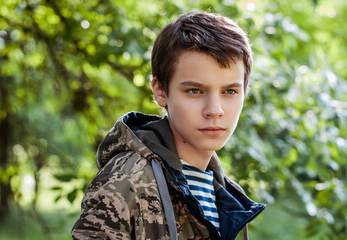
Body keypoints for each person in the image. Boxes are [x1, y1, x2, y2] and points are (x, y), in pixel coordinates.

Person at [72, 12, 265, 240]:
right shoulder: (125, 182)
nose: (215, 110)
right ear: (160, 90)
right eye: (195, 91)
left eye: (229, 91)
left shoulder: (227, 196)